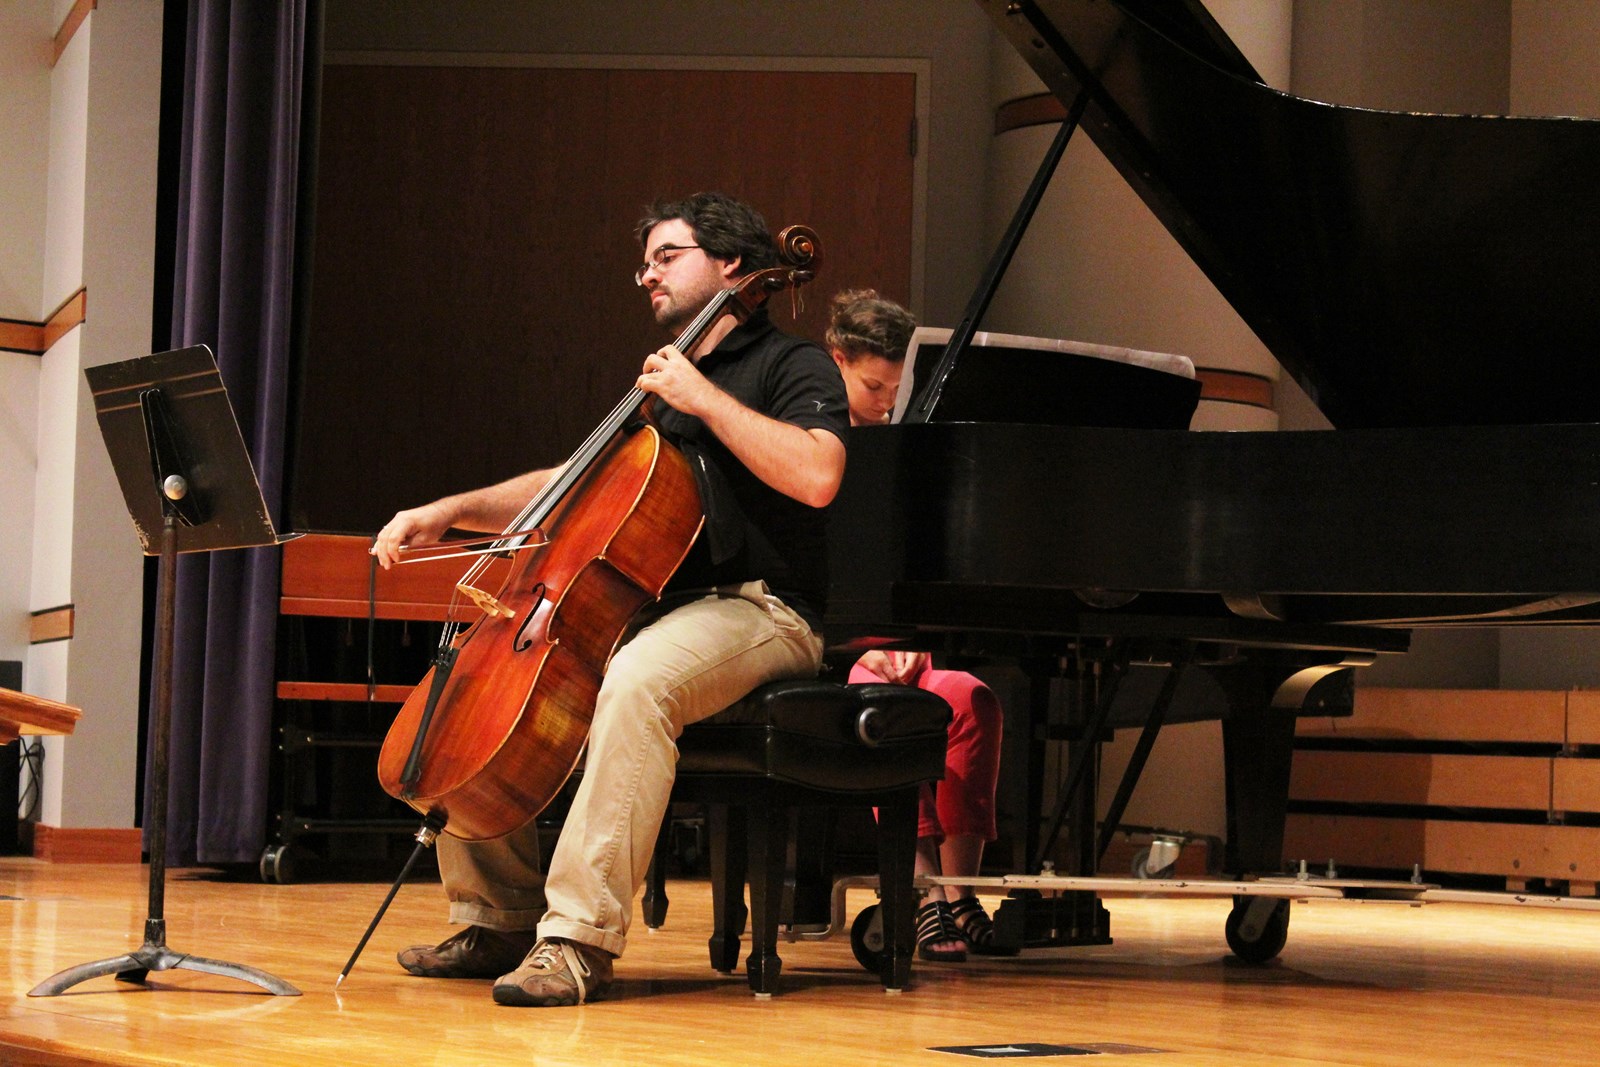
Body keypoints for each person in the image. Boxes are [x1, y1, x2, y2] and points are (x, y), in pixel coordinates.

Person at [371, 193, 850, 1007]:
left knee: (638, 680)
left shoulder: (790, 365)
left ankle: (577, 939)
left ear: (732, 263)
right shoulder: (661, 385)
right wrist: (451, 509)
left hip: (763, 608)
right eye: (645, 263)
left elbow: (818, 475)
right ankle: (497, 917)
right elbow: (572, 481)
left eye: (667, 256)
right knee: (486, 679)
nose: (648, 275)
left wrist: (705, 399)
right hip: (655, 606)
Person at [825, 289, 1011, 961]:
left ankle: (960, 893)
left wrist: (918, 645)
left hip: (903, 640)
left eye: (896, 389)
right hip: (832, 647)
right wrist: (863, 651)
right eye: (873, 387)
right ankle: (924, 892)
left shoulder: (907, 447)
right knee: (891, 711)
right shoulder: (813, 441)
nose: (884, 403)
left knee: (972, 699)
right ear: (838, 360)